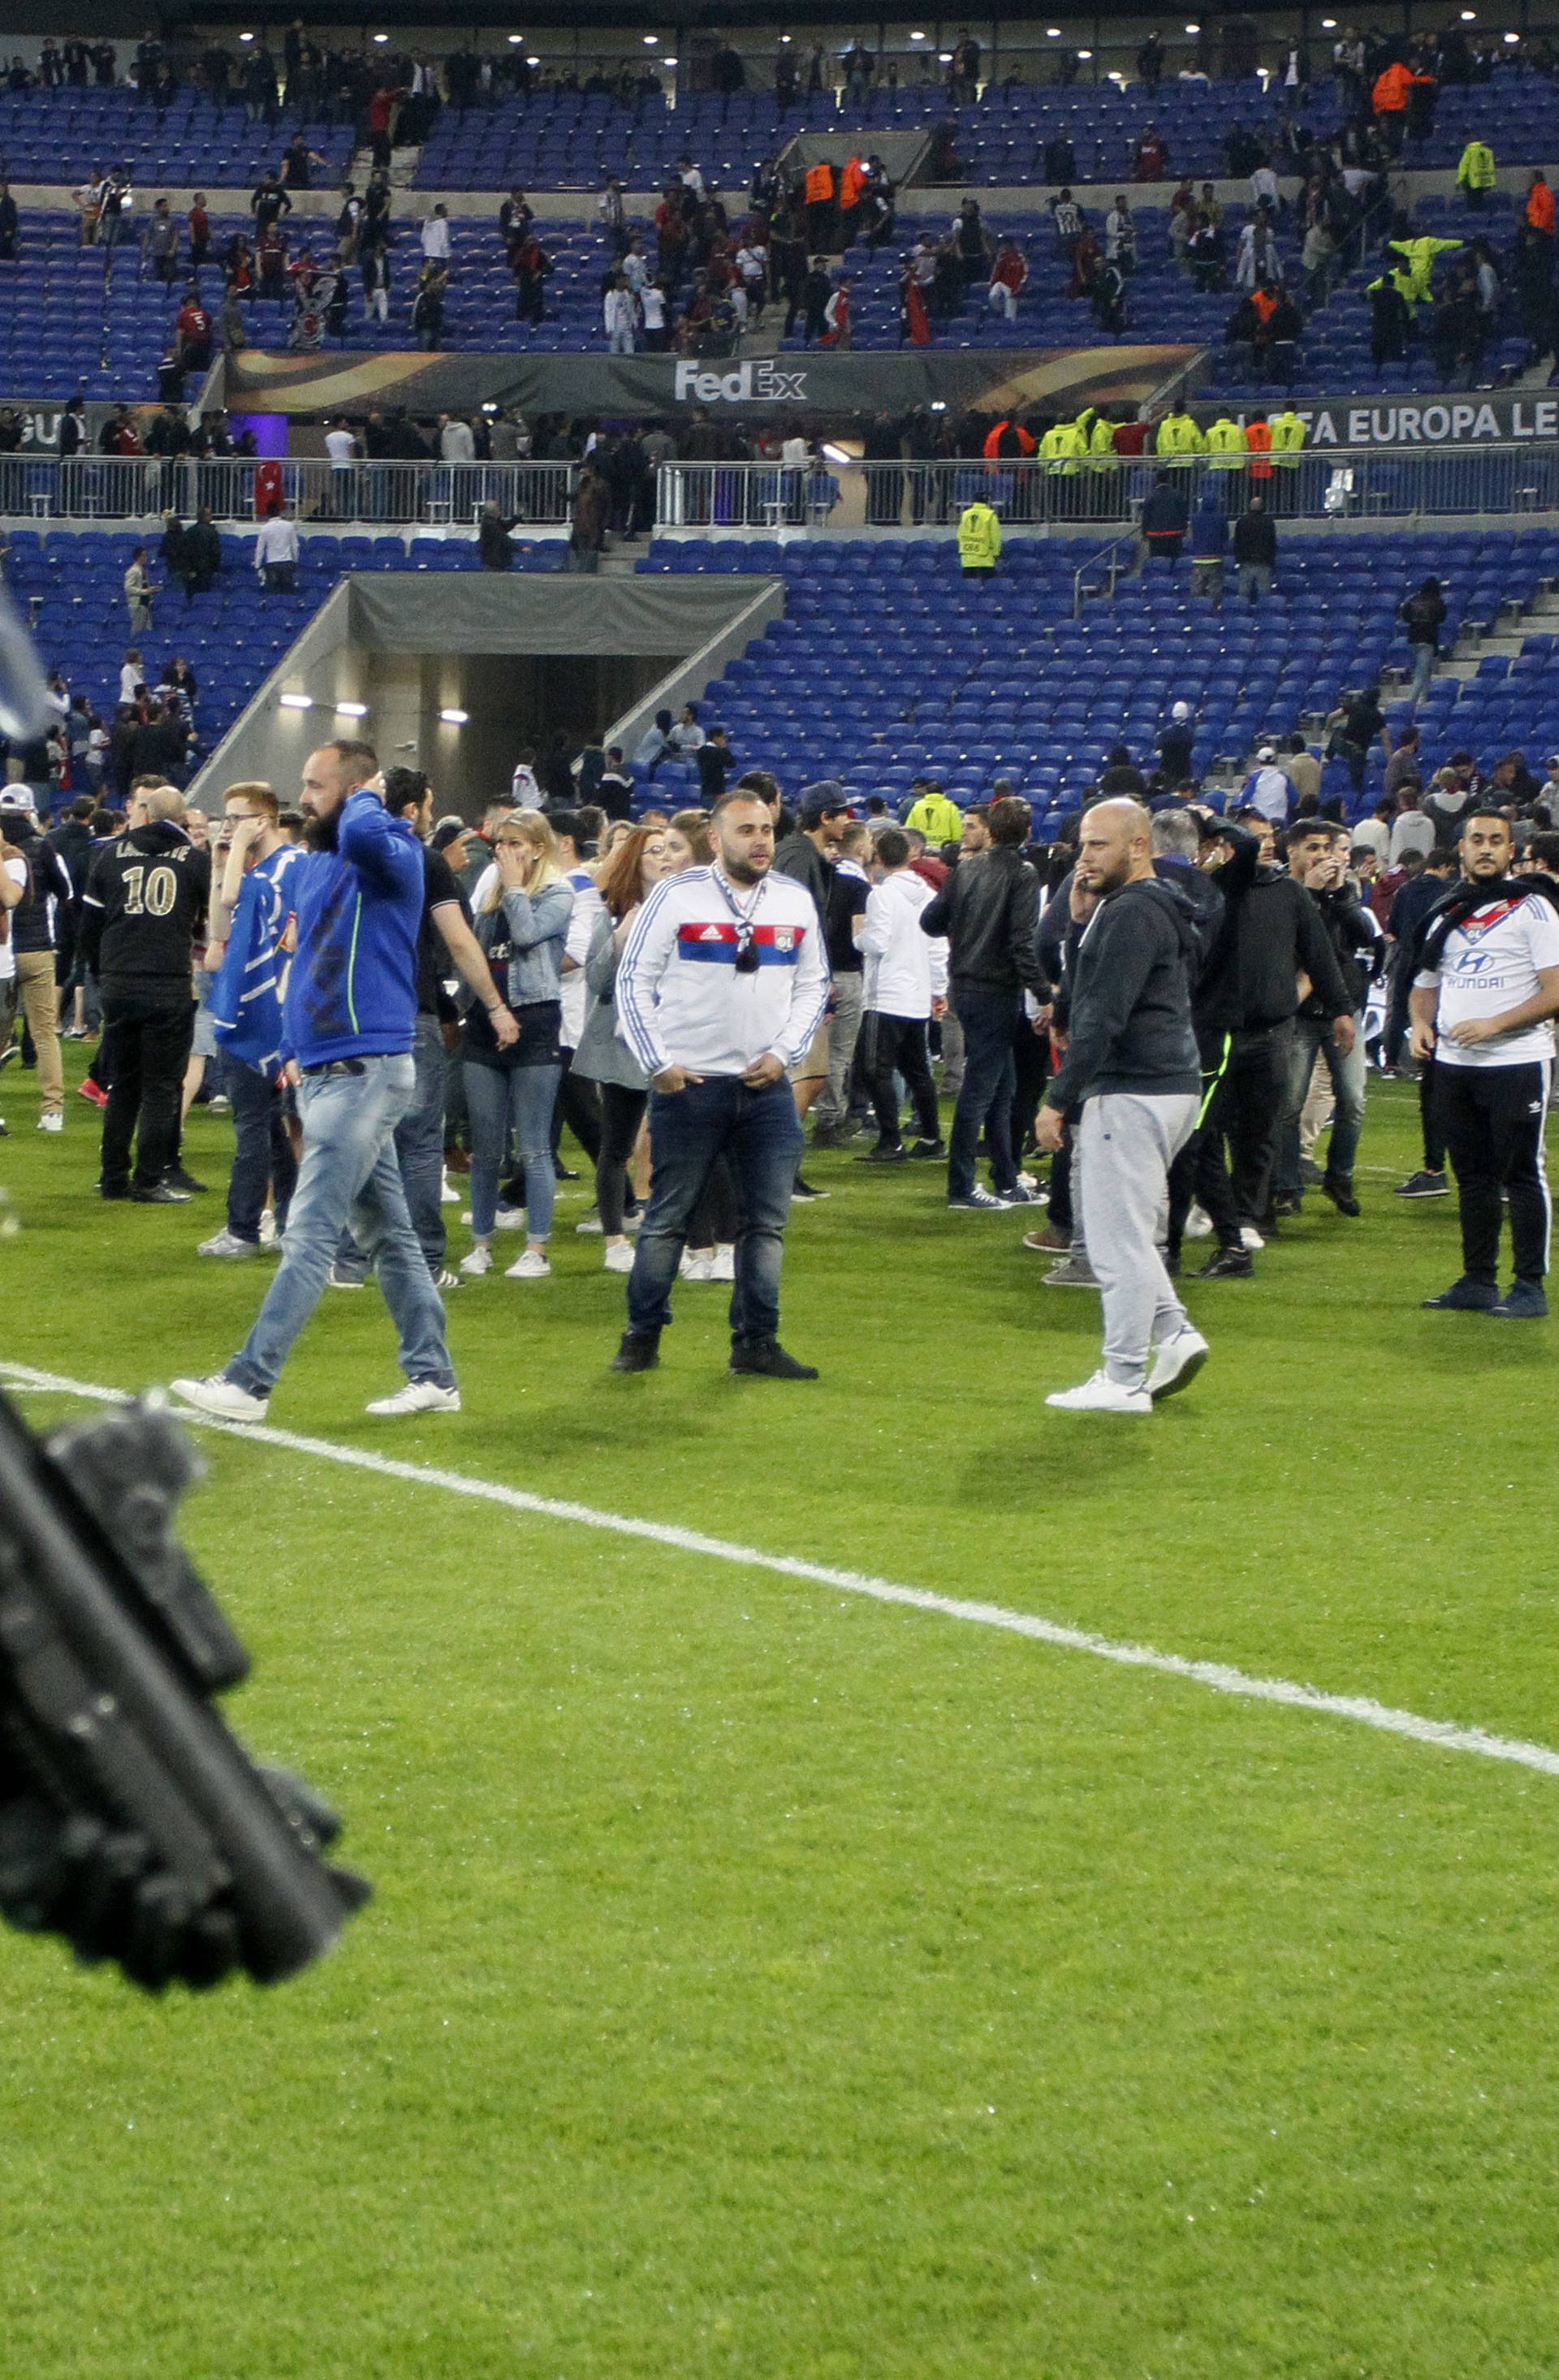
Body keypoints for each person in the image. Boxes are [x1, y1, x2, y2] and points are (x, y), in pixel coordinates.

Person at [170, 742, 462, 1422]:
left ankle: (248, 1382)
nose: (304, 796)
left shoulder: (392, 848)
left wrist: (368, 795)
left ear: (361, 790)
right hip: (329, 1070)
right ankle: (435, 1376)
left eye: (316, 785)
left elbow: (362, 826)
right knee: (390, 1237)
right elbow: (306, 964)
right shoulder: (323, 862)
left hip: (367, 1071)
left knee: (310, 1234)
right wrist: (294, 1048)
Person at [610, 788, 830, 1379]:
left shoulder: (793, 899)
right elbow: (633, 981)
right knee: (667, 1219)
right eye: (747, 831)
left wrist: (785, 1054)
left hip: (766, 1088)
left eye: (766, 829)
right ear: (716, 839)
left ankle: (756, 1342)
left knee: (767, 1223)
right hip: (691, 1085)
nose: (760, 841)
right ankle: (642, 1336)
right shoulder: (676, 897)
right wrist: (658, 1062)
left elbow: (814, 985)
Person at [1035, 800, 1208, 1415]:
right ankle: (1173, 1333)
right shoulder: (1144, 906)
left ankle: (1124, 1376)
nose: (1085, 858)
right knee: (1129, 1233)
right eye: (1083, 845)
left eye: (1099, 845)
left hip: (1132, 1087)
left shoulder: (1132, 911)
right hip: (1165, 1086)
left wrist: (1058, 1099)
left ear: (1139, 847)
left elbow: (1102, 1016)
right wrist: (1080, 926)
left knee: (1117, 1241)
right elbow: (1091, 997)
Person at [1411, 809, 1559, 1319]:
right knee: (1471, 1175)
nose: (1487, 848)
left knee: (1521, 1173)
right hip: (1454, 1065)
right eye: (1477, 839)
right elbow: (1424, 984)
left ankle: (1529, 1286)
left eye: (1497, 840)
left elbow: (1556, 991)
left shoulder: (1533, 909)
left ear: (1511, 850)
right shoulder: (1445, 910)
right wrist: (1421, 1025)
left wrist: (1495, 1025)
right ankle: (1477, 1278)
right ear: (1462, 848)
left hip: (1517, 1061)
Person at [78, 784, 211, 1202]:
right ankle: (149, 1179)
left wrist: (103, 974)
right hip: (167, 983)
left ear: (146, 815)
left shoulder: (110, 855)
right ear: (183, 817)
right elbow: (208, 923)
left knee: (123, 1084)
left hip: (118, 981)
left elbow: (89, 927)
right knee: (160, 1087)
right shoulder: (194, 860)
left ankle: (112, 1176)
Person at [457, 809, 572, 1284]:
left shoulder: (558, 893)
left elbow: (526, 936)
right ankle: (481, 1242)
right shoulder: (490, 894)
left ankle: (536, 1248)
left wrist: (516, 887)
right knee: (485, 1146)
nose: (504, 852)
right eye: (500, 844)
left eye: (515, 844)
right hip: (486, 1023)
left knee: (534, 1146)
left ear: (538, 848)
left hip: (534, 1019)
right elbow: (474, 954)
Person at [920, 794, 1050, 1210]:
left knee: (1002, 1087)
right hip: (996, 989)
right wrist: (1045, 993)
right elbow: (1021, 940)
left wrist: (967, 925)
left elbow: (930, 921)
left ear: (991, 830)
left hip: (965, 985)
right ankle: (962, 1184)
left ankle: (1007, 1178)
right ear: (1028, 831)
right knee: (981, 1090)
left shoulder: (967, 869)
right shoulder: (1023, 873)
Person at [199, 780, 303, 1257]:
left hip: (265, 1013)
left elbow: (237, 904)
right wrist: (223, 865)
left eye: (237, 819)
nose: (228, 828)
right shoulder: (256, 870)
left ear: (263, 820)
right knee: (269, 1126)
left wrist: (236, 854)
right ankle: (287, 1221)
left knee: (252, 1125)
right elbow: (219, 934)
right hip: (252, 1002)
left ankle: (243, 1230)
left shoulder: (288, 868)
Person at [571, 825, 669, 1274]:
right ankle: (615, 1240)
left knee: (684, 1144)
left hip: (677, 1040)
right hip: (623, 1043)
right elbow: (595, 982)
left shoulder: (689, 910)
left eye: (669, 849)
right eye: (653, 851)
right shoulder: (612, 913)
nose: (664, 857)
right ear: (636, 860)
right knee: (617, 1145)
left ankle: (693, 1239)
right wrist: (618, 940)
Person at [1272, 821, 1380, 1218]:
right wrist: (1312, 893)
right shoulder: (1281, 890)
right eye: (1313, 847)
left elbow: (1364, 935)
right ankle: (1285, 1185)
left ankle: (1340, 1176)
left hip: (1341, 1007)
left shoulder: (1343, 891)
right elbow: (1289, 939)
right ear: (1293, 853)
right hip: (1297, 1011)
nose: (1322, 855)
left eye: (1327, 847)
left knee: (1352, 1100)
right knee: (1289, 1104)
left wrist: (1338, 896)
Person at [857, 826, 948, 1162]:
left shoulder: (881, 895)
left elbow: (877, 943)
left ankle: (890, 1139)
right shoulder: (926, 894)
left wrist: (858, 938)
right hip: (917, 996)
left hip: (886, 997)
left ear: (879, 856)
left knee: (874, 1069)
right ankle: (931, 1138)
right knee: (918, 1072)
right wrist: (938, 989)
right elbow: (938, 946)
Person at [0, 784, 69, 1132]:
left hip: (3, 952)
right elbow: (66, 892)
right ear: (29, 812)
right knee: (44, 1033)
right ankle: (52, 1110)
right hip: (38, 949)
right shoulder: (43, 846)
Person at [1399, 576, 1448, 705]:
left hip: (1412, 640)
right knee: (1421, 673)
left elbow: (1405, 616)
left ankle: (1426, 700)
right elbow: (1442, 617)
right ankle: (1410, 703)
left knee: (1425, 671)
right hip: (1427, 641)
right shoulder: (1437, 602)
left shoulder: (1413, 600)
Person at [1233, 494, 1276, 601]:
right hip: (1263, 562)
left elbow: (1237, 542)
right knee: (1264, 594)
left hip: (1246, 562)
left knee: (1243, 594)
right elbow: (1272, 542)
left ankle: (1241, 615)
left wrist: (1239, 559)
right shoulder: (1268, 522)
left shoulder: (1242, 521)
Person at [957, 496, 1001, 580]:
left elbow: (960, 534)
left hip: (968, 559)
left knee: (969, 588)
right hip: (985, 559)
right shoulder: (990, 515)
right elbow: (995, 536)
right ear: (987, 502)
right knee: (987, 587)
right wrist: (996, 553)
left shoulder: (965, 514)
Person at [255, 511, 300, 592]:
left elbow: (260, 549)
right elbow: (295, 546)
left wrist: (257, 565)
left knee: (273, 592)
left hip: (272, 563)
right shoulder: (289, 526)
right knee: (287, 592)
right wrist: (295, 560)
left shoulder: (265, 528)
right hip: (287, 562)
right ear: (280, 513)